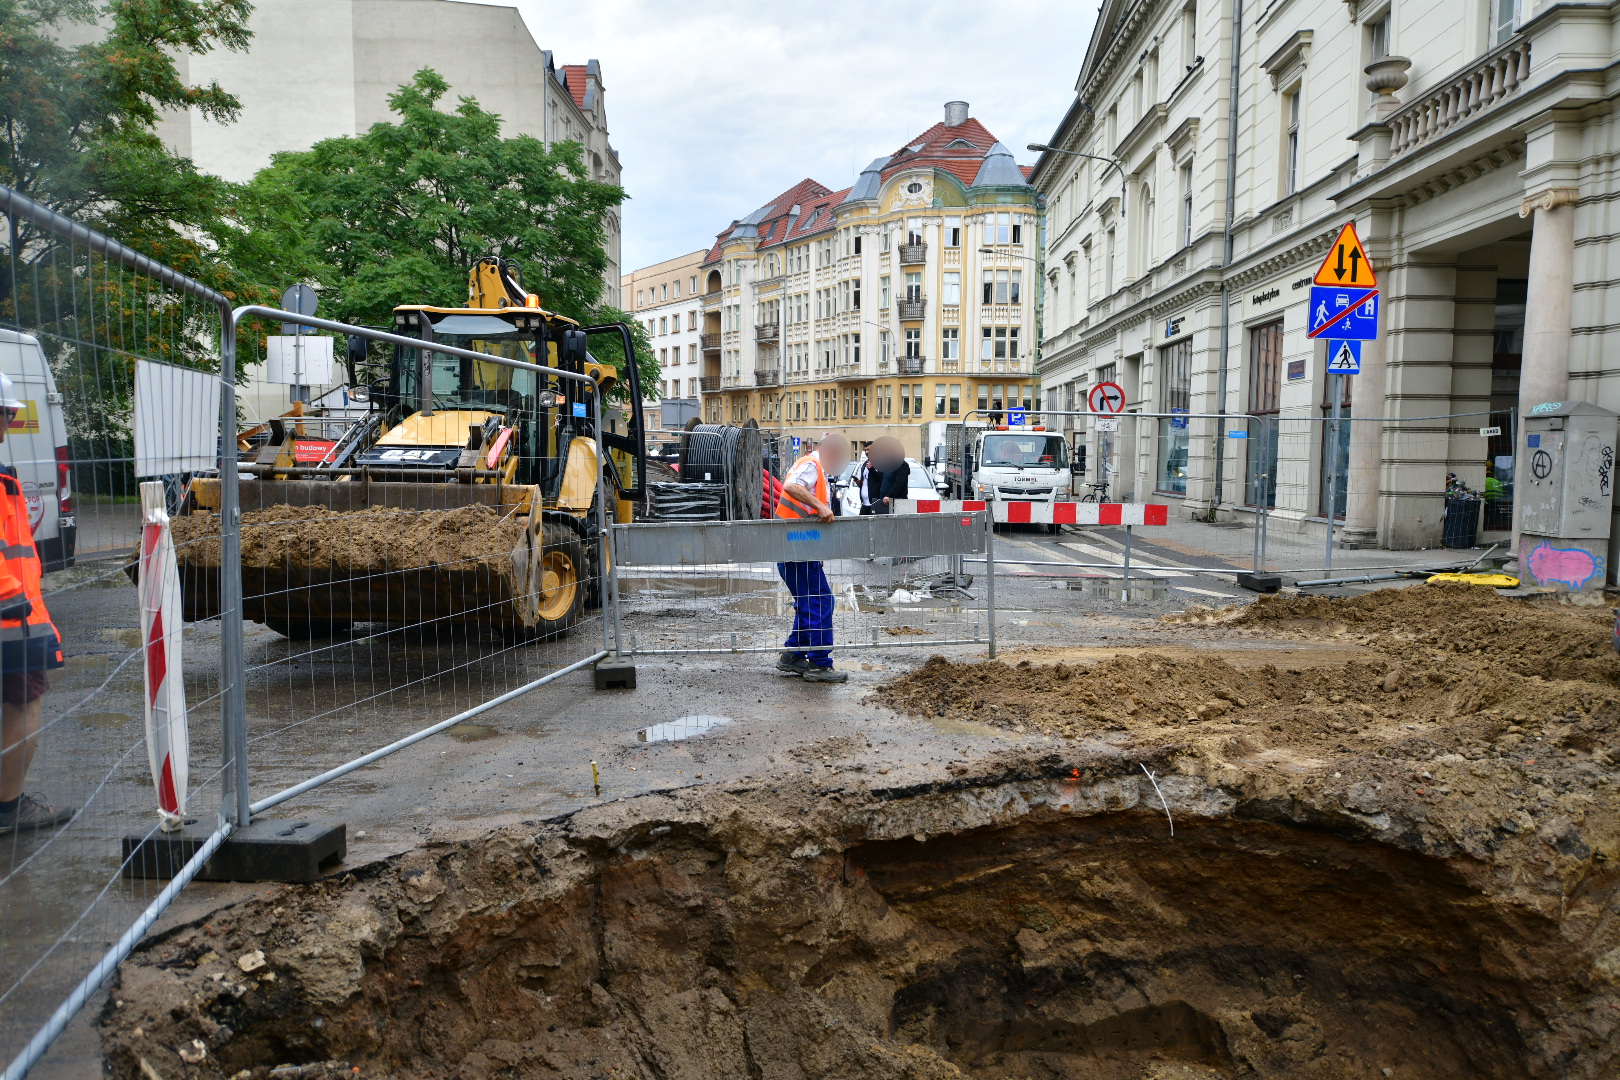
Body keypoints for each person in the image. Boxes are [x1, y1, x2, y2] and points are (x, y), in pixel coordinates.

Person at [0, 372, 68, 835]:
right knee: (24, 703)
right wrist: (14, 604)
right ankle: (8, 809)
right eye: (7, 414)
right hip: (11, 617)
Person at [774, 433, 850, 682]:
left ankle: (794, 655)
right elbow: (791, 486)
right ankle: (819, 664)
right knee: (821, 601)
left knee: (812, 603)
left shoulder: (814, 466)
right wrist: (821, 506)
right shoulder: (812, 464)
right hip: (797, 548)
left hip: (797, 546)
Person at [857, 436, 910, 516]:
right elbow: (879, 478)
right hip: (883, 503)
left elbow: (900, 483)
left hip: (896, 503)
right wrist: (871, 470)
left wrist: (889, 495)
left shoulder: (902, 465)